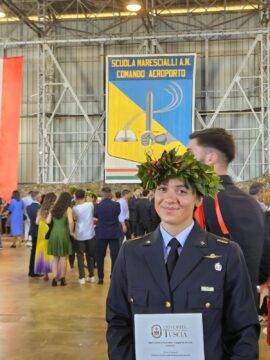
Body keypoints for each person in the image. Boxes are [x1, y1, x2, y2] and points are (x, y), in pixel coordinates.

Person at [106, 148, 260, 360]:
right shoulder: (130, 253)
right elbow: (118, 323)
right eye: (162, 189)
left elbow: (244, 330)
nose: (170, 199)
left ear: (198, 199)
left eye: (182, 191)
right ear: (153, 194)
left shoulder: (226, 254)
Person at [188, 128, 267, 301]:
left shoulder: (200, 201)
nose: (187, 161)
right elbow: (265, 258)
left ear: (210, 158)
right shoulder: (253, 203)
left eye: (191, 154)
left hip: (208, 307)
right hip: (247, 304)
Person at [94, 187, 120, 285]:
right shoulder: (116, 205)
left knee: (100, 256)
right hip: (113, 233)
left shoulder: (98, 206)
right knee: (115, 256)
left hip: (101, 233)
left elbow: (96, 215)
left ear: (102, 194)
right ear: (110, 194)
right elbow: (117, 214)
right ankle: (113, 276)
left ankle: (100, 277)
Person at [47, 192, 74, 287]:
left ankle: (54, 278)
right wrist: (72, 232)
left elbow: (48, 221)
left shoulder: (53, 208)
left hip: (54, 234)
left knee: (55, 258)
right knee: (63, 258)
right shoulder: (68, 209)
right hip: (63, 234)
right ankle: (62, 279)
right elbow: (71, 222)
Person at [73, 189, 96, 285]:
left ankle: (82, 277)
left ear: (76, 197)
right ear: (84, 196)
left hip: (80, 234)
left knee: (80, 256)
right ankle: (91, 276)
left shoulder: (75, 208)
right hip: (90, 233)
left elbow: (75, 219)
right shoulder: (90, 205)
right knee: (90, 255)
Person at [34, 192, 57, 280]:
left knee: (42, 252)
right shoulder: (52, 209)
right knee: (51, 252)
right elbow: (48, 221)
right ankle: (56, 272)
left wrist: (41, 218)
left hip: (41, 232)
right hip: (48, 231)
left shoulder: (41, 209)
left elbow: (36, 222)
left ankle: (45, 274)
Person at [27, 191, 42, 277]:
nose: (41, 198)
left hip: (33, 230)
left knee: (33, 251)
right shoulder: (39, 207)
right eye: (40, 196)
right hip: (39, 231)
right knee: (37, 252)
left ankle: (31, 270)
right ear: (36, 197)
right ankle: (34, 271)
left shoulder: (29, 207)